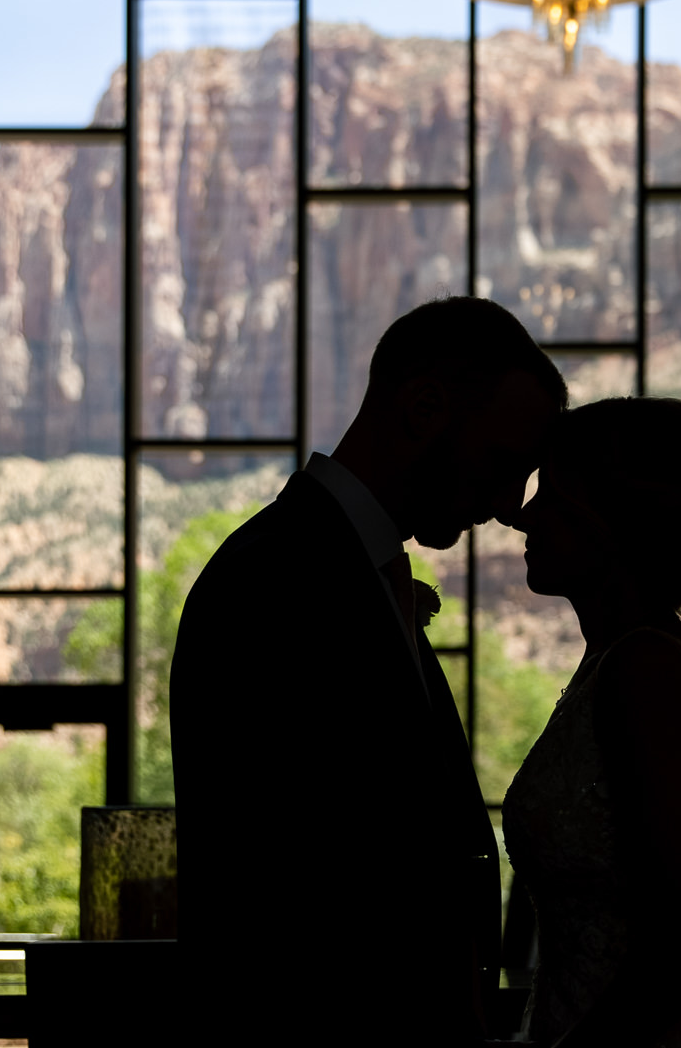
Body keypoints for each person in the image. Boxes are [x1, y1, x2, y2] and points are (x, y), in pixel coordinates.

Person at [171, 297, 566, 1044]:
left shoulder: (349, 570)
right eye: (506, 464)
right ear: (422, 407)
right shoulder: (275, 581)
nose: (514, 504)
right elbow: (289, 876)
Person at [505, 397, 681, 1047]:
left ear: (618, 523)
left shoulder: (645, 670)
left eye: (556, 499)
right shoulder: (626, 659)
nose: (524, 515)